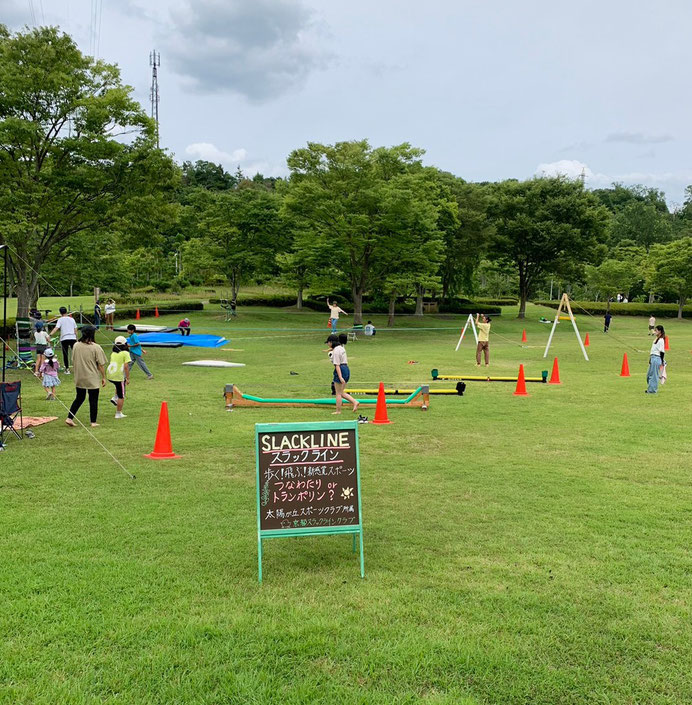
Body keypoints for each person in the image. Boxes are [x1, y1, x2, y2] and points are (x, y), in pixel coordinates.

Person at [65, 326, 107, 427]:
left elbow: (73, 359)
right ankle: (93, 422)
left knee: (79, 398)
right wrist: (104, 377)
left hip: (79, 376)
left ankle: (69, 418)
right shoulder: (96, 347)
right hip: (91, 377)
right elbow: (101, 364)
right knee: (93, 400)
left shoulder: (76, 345)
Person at [327, 333, 359, 414]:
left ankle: (338, 411)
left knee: (338, 393)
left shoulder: (336, 351)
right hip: (346, 369)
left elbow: (337, 365)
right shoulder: (341, 348)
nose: (327, 344)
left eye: (328, 342)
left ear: (331, 342)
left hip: (340, 369)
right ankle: (354, 402)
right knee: (341, 392)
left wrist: (340, 377)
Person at [107, 336, 131, 419]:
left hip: (110, 375)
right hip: (118, 376)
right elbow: (126, 366)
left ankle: (115, 397)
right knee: (122, 395)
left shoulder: (113, 353)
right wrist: (127, 378)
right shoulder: (125, 353)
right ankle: (118, 413)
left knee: (118, 387)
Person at [49, 307, 78, 375]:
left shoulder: (60, 319)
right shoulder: (72, 319)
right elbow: (75, 329)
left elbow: (56, 328)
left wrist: (50, 335)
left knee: (65, 354)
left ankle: (67, 369)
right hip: (72, 338)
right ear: (66, 312)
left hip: (64, 338)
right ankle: (77, 368)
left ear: (60, 312)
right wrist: (76, 338)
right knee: (75, 354)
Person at [646, 325, 666, 394]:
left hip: (657, 358)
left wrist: (662, 360)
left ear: (660, 331)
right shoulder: (656, 339)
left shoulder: (661, 340)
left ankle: (652, 390)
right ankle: (650, 388)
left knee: (654, 375)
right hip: (653, 358)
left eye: (656, 330)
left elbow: (662, 352)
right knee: (649, 375)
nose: (655, 332)